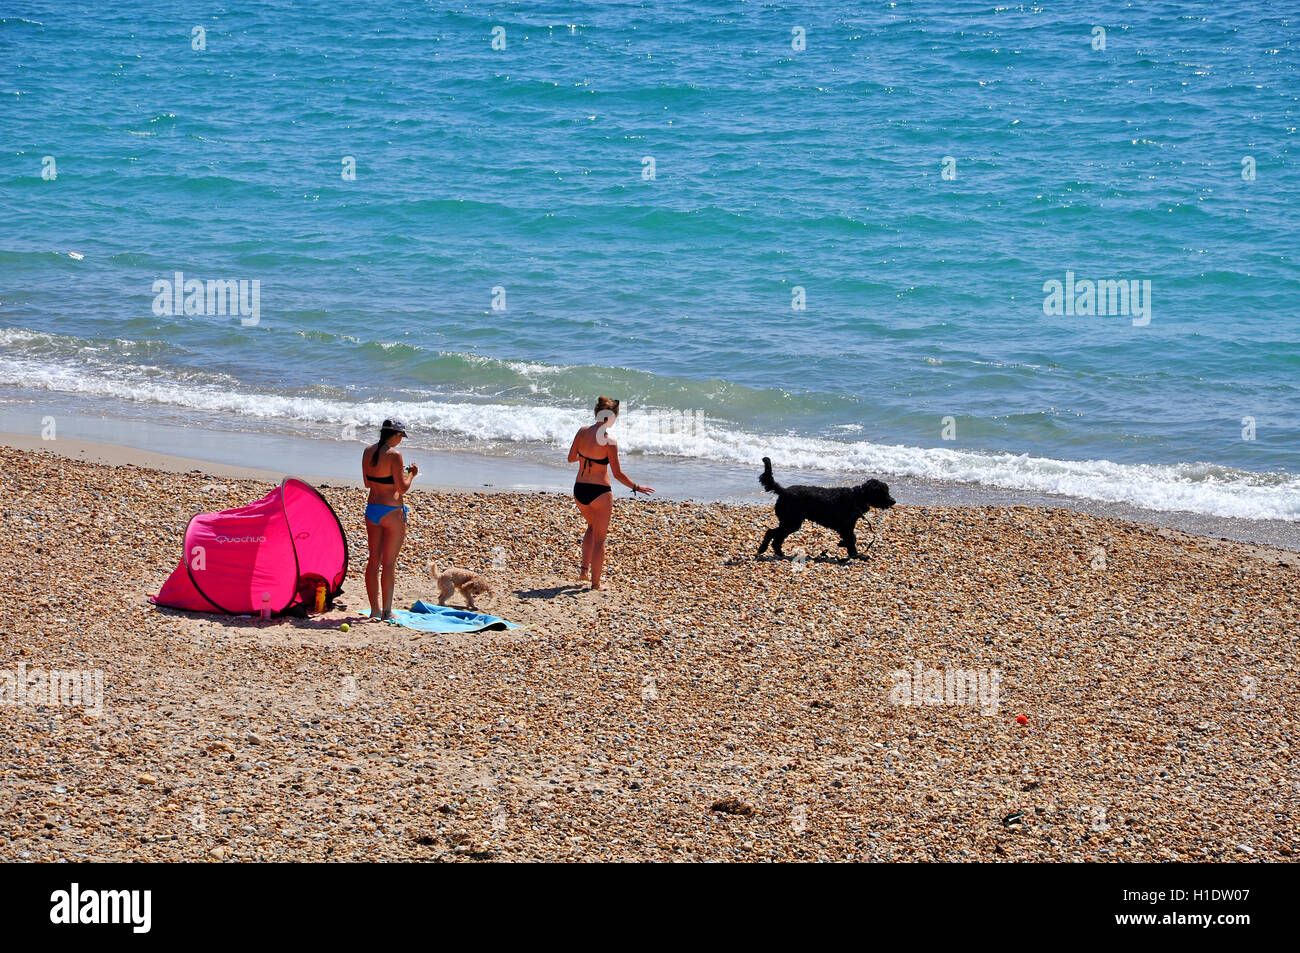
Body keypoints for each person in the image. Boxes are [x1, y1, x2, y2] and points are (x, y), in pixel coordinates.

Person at [567, 397, 654, 590]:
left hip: (580, 489)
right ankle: (595, 584)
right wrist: (636, 487)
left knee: (591, 526)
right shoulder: (610, 442)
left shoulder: (581, 432)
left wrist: (586, 456)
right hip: (600, 492)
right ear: (611, 417)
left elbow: (571, 458)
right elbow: (617, 474)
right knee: (600, 539)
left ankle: (583, 572)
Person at [362, 418, 417, 620]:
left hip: (372, 509)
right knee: (389, 563)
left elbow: (367, 483)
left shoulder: (368, 451)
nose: (401, 440)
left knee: (373, 560)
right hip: (392, 511)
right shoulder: (395, 455)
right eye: (401, 436)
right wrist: (411, 474)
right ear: (394, 435)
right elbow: (402, 488)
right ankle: (387, 611)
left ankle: (373, 610)